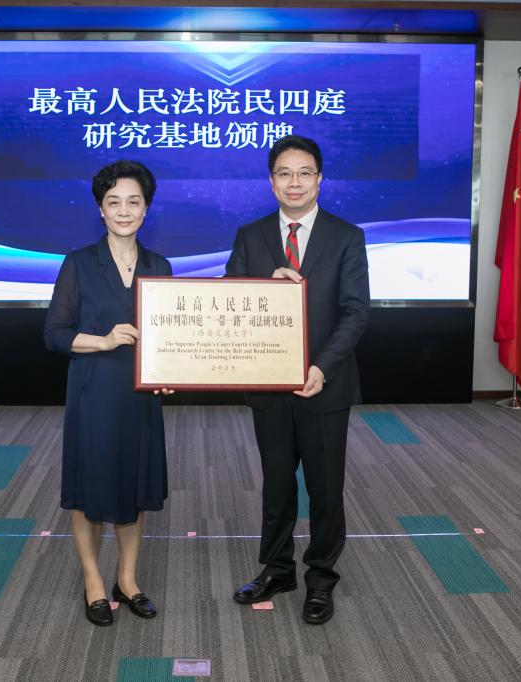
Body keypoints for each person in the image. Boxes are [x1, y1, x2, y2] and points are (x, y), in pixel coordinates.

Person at [225, 135, 370, 624]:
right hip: (268, 383)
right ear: (271, 182)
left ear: (319, 180)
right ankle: (277, 568)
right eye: (284, 173)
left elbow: (355, 312)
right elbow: (229, 301)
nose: (295, 182)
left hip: (324, 383)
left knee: (325, 489)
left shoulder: (346, 236)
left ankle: (321, 578)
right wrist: (265, 287)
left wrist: (321, 367)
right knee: (276, 484)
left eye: (304, 172)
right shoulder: (250, 236)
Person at [44, 160, 173, 627]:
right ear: (100, 208)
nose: (124, 210)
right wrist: (103, 340)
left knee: (133, 491)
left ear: (146, 209)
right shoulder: (79, 263)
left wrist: (170, 369)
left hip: (141, 396)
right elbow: (54, 334)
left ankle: (128, 580)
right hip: (94, 391)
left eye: (133, 202)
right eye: (114, 202)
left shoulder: (159, 266)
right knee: (90, 492)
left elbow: (171, 335)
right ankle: (94, 583)